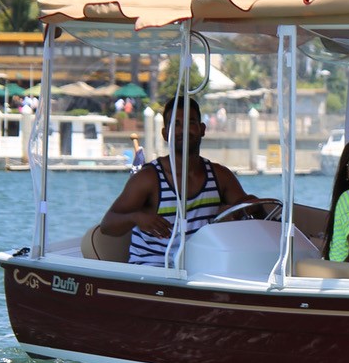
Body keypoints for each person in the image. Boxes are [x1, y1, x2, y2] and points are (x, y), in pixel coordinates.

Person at [101, 95, 256, 266]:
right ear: (165, 133)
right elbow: (108, 225)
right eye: (176, 124)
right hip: (151, 272)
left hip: (201, 269)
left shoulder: (220, 176)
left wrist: (241, 209)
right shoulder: (148, 179)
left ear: (202, 129)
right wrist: (138, 218)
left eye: (191, 123)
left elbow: (250, 212)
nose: (183, 130)